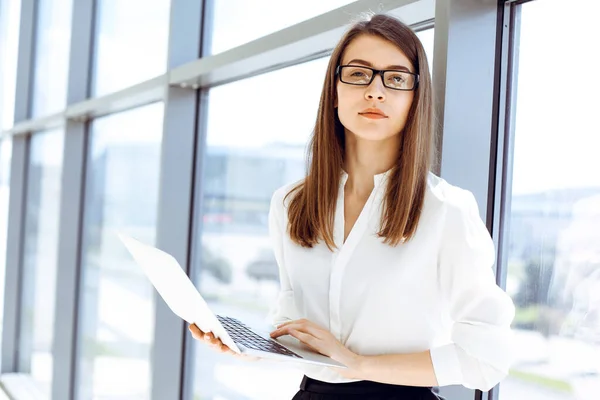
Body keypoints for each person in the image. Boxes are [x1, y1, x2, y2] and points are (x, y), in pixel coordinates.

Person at [189, 13, 516, 399]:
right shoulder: (291, 204)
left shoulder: (447, 210)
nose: (376, 92)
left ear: (416, 98)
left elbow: (486, 358)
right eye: (359, 74)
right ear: (334, 91)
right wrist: (253, 348)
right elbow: (294, 323)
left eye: (395, 79)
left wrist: (357, 363)